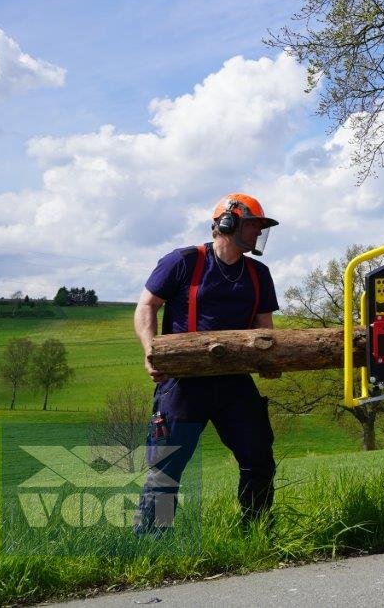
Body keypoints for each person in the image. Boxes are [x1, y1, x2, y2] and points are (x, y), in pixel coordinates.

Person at [133, 193, 281, 532]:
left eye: (261, 227)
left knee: (259, 458)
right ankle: (151, 543)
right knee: (166, 468)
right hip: (185, 382)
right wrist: (150, 349)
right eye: (254, 226)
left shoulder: (259, 274)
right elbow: (146, 306)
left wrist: (269, 360)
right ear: (227, 224)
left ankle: (255, 531)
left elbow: (265, 328)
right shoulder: (183, 261)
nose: (258, 233)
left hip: (234, 382)